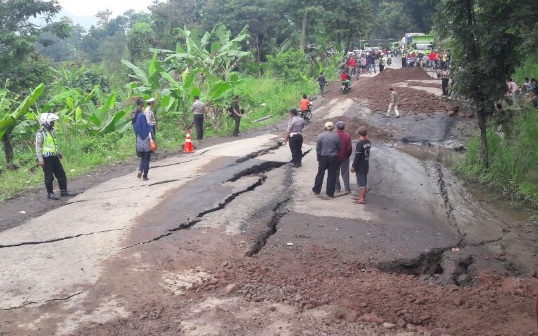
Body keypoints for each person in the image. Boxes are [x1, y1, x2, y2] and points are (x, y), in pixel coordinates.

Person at [35, 113, 76, 200]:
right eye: (52, 122)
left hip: (54, 157)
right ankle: (50, 194)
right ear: (46, 122)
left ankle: (64, 191)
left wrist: (59, 152)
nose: (53, 123)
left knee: (61, 174)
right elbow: (38, 147)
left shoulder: (52, 131)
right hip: (46, 158)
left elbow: (55, 143)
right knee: (49, 177)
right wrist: (40, 159)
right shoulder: (40, 133)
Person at [312, 121, 341, 198]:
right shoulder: (336, 136)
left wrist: (318, 159)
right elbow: (339, 148)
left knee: (320, 173)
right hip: (333, 157)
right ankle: (330, 192)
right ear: (332, 128)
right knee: (332, 174)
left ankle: (316, 189)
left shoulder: (320, 136)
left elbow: (318, 149)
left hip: (323, 157)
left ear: (325, 128)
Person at [350, 126, 371, 204]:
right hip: (366, 164)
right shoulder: (368, 142)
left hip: (360, 166)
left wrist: (353, 166)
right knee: (363, 181)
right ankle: (361, 196)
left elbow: (357, 156)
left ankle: (362, 199)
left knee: (362, 183)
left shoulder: (360, 144)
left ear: (358, 134)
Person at [334, 121, 352, 194]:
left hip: (335, 157)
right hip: (345, 157)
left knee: (335, 173)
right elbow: (350, 148)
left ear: (337, 127)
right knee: (345, 173)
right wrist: (348, 155)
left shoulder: (334, 135)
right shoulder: (348, 136)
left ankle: (337, 188)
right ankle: (347, 188)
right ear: (344, 127)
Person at [134, 112, 153, 181]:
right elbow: (152, 135)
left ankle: (140, 170)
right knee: (146, 160)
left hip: (139, 146)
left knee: (142, 158)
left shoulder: (136, 127)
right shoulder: (147, 126)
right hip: (147, 145)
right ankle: (145, 176)